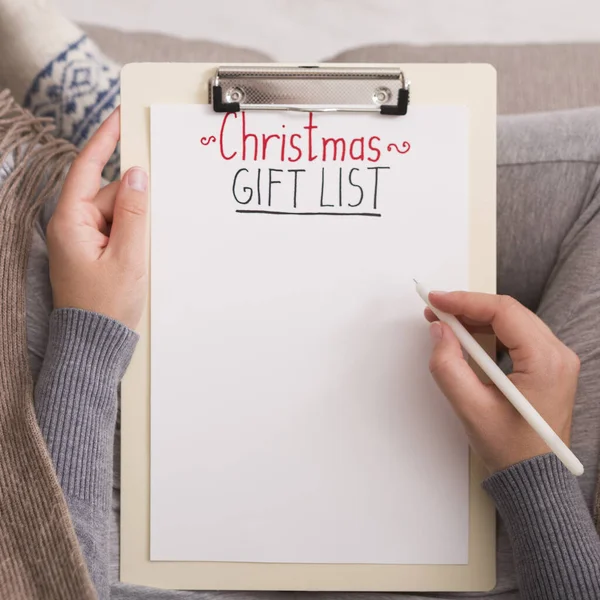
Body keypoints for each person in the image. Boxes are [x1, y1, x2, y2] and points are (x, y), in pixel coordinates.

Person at [27, 107, 600, 600]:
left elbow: (53, 579)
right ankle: (141, 145)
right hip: (523, 536)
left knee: (51, 234)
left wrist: (88, 335)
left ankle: (116, 148)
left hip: (127, 554)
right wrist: (538, 481)